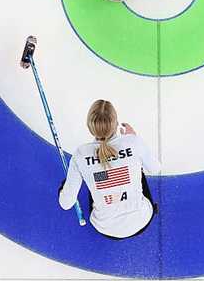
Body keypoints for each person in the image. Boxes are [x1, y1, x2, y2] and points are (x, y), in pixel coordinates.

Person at [58, 100, 160, 240]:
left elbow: (66, 204)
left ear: (89, 126)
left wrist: (65, 187)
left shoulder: (81, 154)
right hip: (141, 221)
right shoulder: (132, 142)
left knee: (96, 175)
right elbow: (155, 169)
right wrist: (133, 138)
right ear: (116, 123)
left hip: (105, 228)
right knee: (134, 166)